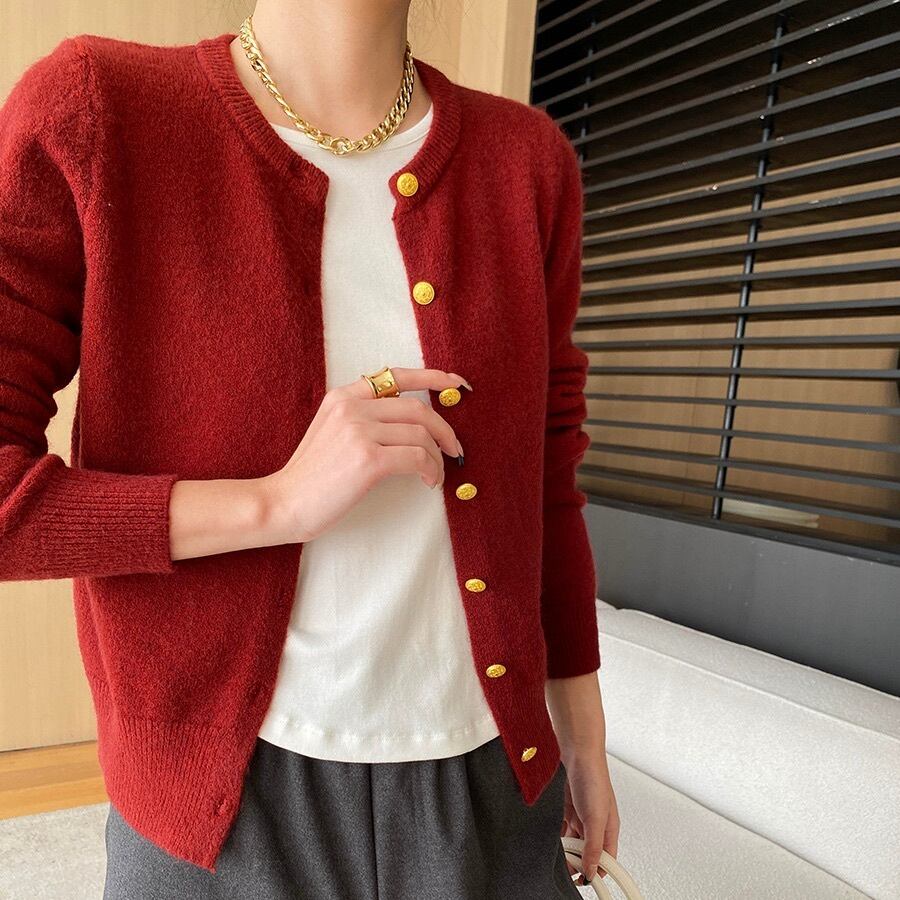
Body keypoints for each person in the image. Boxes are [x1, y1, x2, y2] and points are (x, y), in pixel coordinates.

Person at [0, 1, 619, 896]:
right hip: (221, 805)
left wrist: (584, 737)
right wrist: (276, 503)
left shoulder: (527, 163)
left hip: (490, 781)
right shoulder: (97, 111)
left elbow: (547, 479)